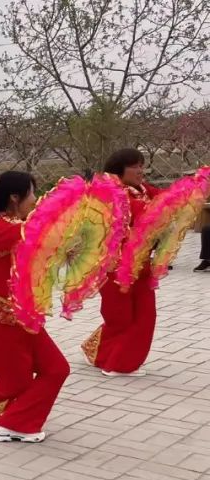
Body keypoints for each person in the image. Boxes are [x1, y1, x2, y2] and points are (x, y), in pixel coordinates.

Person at [0, 171, 70, 443]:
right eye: (32, 193)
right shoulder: (0, 228)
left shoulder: (19, 225)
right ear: (14, 197)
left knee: (56, 369)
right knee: (16, 383)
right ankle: (15, 425)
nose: (35, 199)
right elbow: (39, 232)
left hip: (24, 317)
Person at [81, 148, 163, 376]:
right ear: (119, 169)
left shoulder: (144, 190)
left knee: (146, 315)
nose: (140, 170)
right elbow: (142, 213)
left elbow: (168, 198)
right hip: (114, 267)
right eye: (134, 166)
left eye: (141, 165)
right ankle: (115, 362)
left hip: (142, 266)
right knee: (121, 318)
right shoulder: (110, 192)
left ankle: (108, 355)